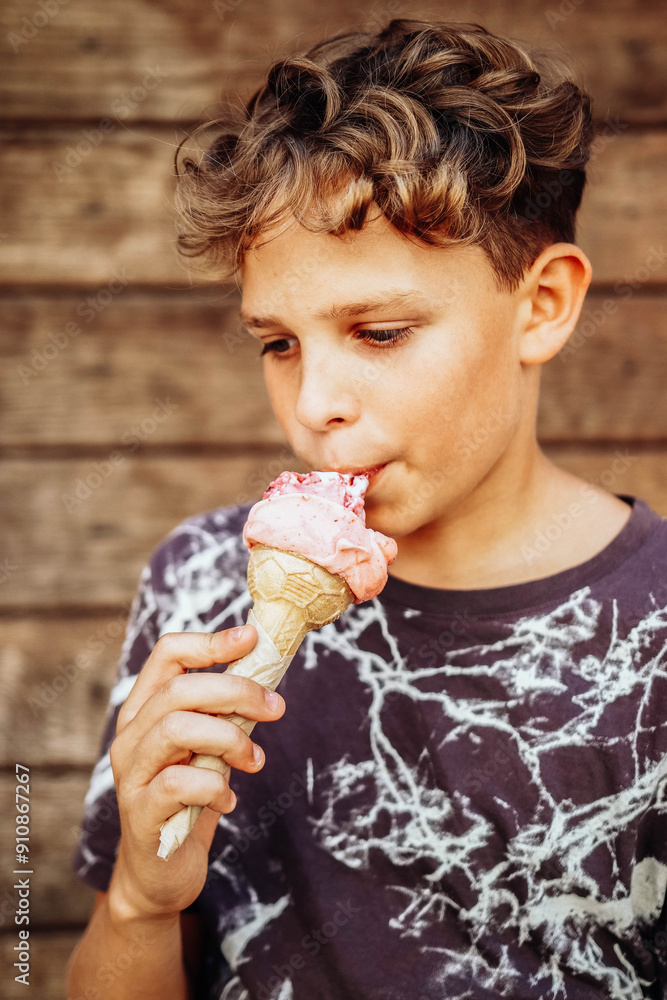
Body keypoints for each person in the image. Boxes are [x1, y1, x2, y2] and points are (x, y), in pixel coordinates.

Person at [67, 17, 667, 1000]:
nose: (312, 406)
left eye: (379, 331)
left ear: (543, 304)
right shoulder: (202, 588)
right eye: (278, 343)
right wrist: (139, 897)